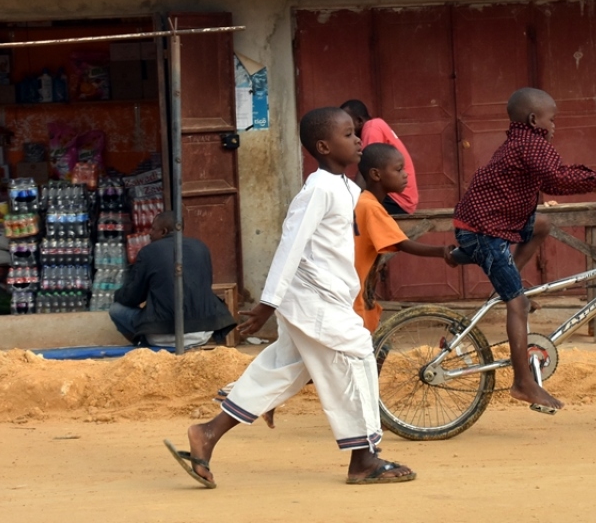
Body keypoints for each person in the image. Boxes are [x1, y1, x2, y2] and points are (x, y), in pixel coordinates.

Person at [165, 107, 415, 488]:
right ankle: (364, 459)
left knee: (286, 368)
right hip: (314, 300)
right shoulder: (317, 190)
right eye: (348, 135)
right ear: (323, 147)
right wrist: (268, 304)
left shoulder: (348, 190)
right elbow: (290, 246)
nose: (358, 141)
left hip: (326, 299)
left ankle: (207, 433)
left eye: (355, 133)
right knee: (357, 353)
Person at [451, 88, 596, 415]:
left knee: (541, 225)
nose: (554, 126)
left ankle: (507, 283)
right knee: (518, 305)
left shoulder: (522, 142)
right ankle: (522, 383)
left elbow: (557, 177)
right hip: (484, 231)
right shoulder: (531, 143)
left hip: (487, 224)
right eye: (551, 119)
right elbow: (559, 179)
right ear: (533, 119)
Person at [353, 143, 457, 332]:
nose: (405, 174)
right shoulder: (370, 206)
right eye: (398, 169)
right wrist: (442, 251)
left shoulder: (365, 202)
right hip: (353, 293)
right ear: (376, 174)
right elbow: (402, 243)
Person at [110, 211, 235, 348]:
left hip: (161, 335)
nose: (149, 233)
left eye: (153, 229)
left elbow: (132, 297)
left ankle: (142, 345)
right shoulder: (201, 247)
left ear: (164, 231)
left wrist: (117, 295)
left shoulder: (148, 252)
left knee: (116, 309)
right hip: (202, 333)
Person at [340, 100, 419, 215]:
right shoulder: (377, 124)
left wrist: (351, 202)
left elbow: (366, 169)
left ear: (359, 121)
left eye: (347, 122)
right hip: (402, 199)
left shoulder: (371, 127)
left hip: (397, 200)